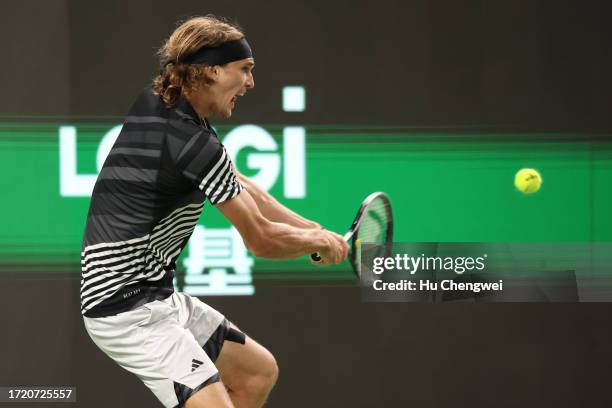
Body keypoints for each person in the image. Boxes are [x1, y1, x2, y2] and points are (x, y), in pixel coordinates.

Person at [80, 15, 348, 408]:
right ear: (210, 71)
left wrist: (315, 229)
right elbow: (260, 239)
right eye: (244, 70)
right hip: (124, 310)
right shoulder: (190, 141)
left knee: (257, 372)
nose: (250, 83)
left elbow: (241, 185)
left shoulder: (165, 107)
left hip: (155, 296)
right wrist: (316, 243)